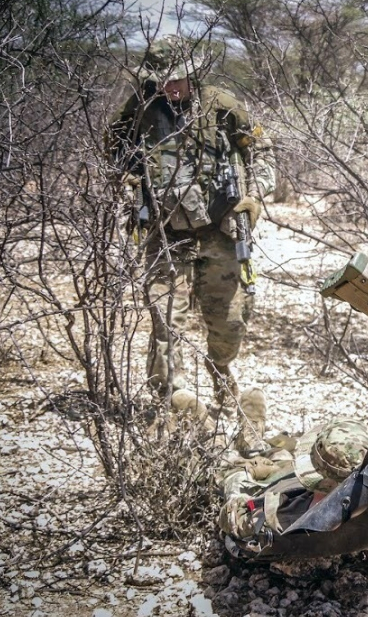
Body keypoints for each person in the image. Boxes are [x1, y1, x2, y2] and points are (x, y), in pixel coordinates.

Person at [107, 35, 276, 455]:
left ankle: (220, 375)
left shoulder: (221, 105)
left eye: (177, 80)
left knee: (229, 323)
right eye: (162, 81)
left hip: (218, 231)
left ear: (193, 74)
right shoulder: (141, 109)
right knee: (167, 322)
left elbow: (263, 151)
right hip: (164, 233)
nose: (170, 88)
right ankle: (173, 404)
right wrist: (129, 178)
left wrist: (254, 195)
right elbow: (115, 148)